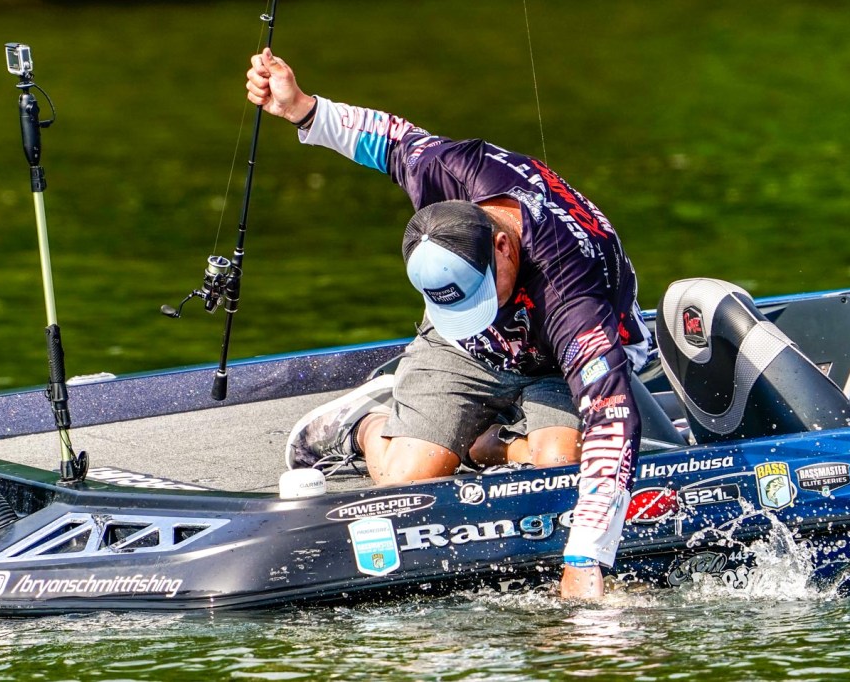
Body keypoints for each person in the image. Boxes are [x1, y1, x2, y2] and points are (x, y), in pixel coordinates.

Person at [246, 48, 650, 599]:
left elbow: (612, 417)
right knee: (405, 482)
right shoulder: (446, 171)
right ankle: (362, 421)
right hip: (467, 351)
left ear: (503, 245)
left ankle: (484, 440)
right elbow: (388, 139)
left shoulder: (569, 291)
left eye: (482, 294)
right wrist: (302, 108)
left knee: (559, 469)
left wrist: (586, 557)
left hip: (554, 360)